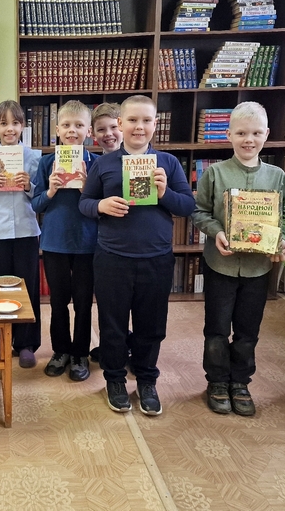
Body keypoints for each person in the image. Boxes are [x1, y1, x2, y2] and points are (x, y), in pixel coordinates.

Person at [80, 95, 195, 415]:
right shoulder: (104, 164)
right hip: (113, 258)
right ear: (120, 124)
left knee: (151, 326)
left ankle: (146, 380)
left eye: (146, 120)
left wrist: (164, 193)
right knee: (112, 324)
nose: (139, 127)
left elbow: (187, 205)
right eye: (132, 120)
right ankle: (115, 380)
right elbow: (84, 203)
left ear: (155, 124)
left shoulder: (168, 163)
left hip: (156, 259)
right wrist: (101, 205)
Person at [191, 101, 285, 417]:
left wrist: (282, 241)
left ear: (267, 134)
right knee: (217, 328)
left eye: (256, 133)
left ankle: (240, 382)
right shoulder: (215, 173)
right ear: (229, 135)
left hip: (258, 269)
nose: (249, 140)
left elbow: (284, 217)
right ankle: (217, 381)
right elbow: (199, 212)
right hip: (220, 264)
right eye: (242, 133)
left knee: (248, 330)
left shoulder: (277, 177)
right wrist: (217, 232)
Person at [31, 100, 99, 382]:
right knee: (58, 301)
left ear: (89, 131)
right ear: (57, 130)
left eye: (79, 125)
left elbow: (102, 206)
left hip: (87, 242)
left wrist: (87, 189)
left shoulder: (96, 163)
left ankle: (80, 353)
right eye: (67, 125)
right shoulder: (47, 162)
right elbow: (35, 204)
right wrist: (51, 190)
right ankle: (60, 351)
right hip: (55, 242)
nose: (73, 130)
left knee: (83, 302)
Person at [0, 100, 42, 368]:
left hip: (26, 229)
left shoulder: (35, 157)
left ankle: (26, 344)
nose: (10, 129)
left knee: (28, 287)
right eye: (4, 123)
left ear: (22, 126)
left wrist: (29, 186)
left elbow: (42, 198)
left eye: (15, 123)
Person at [87, 102, 128, 364]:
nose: (108, 134)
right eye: (101, 129)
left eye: (114, 127)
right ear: (93, 134)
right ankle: (111, 347)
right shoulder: (95, 163)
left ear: (122, 126)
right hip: (103, 242)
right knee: (110, 301)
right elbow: (87, 202)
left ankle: (129, 346)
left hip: (129, 242)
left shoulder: (145, 160)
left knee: (131, 301)